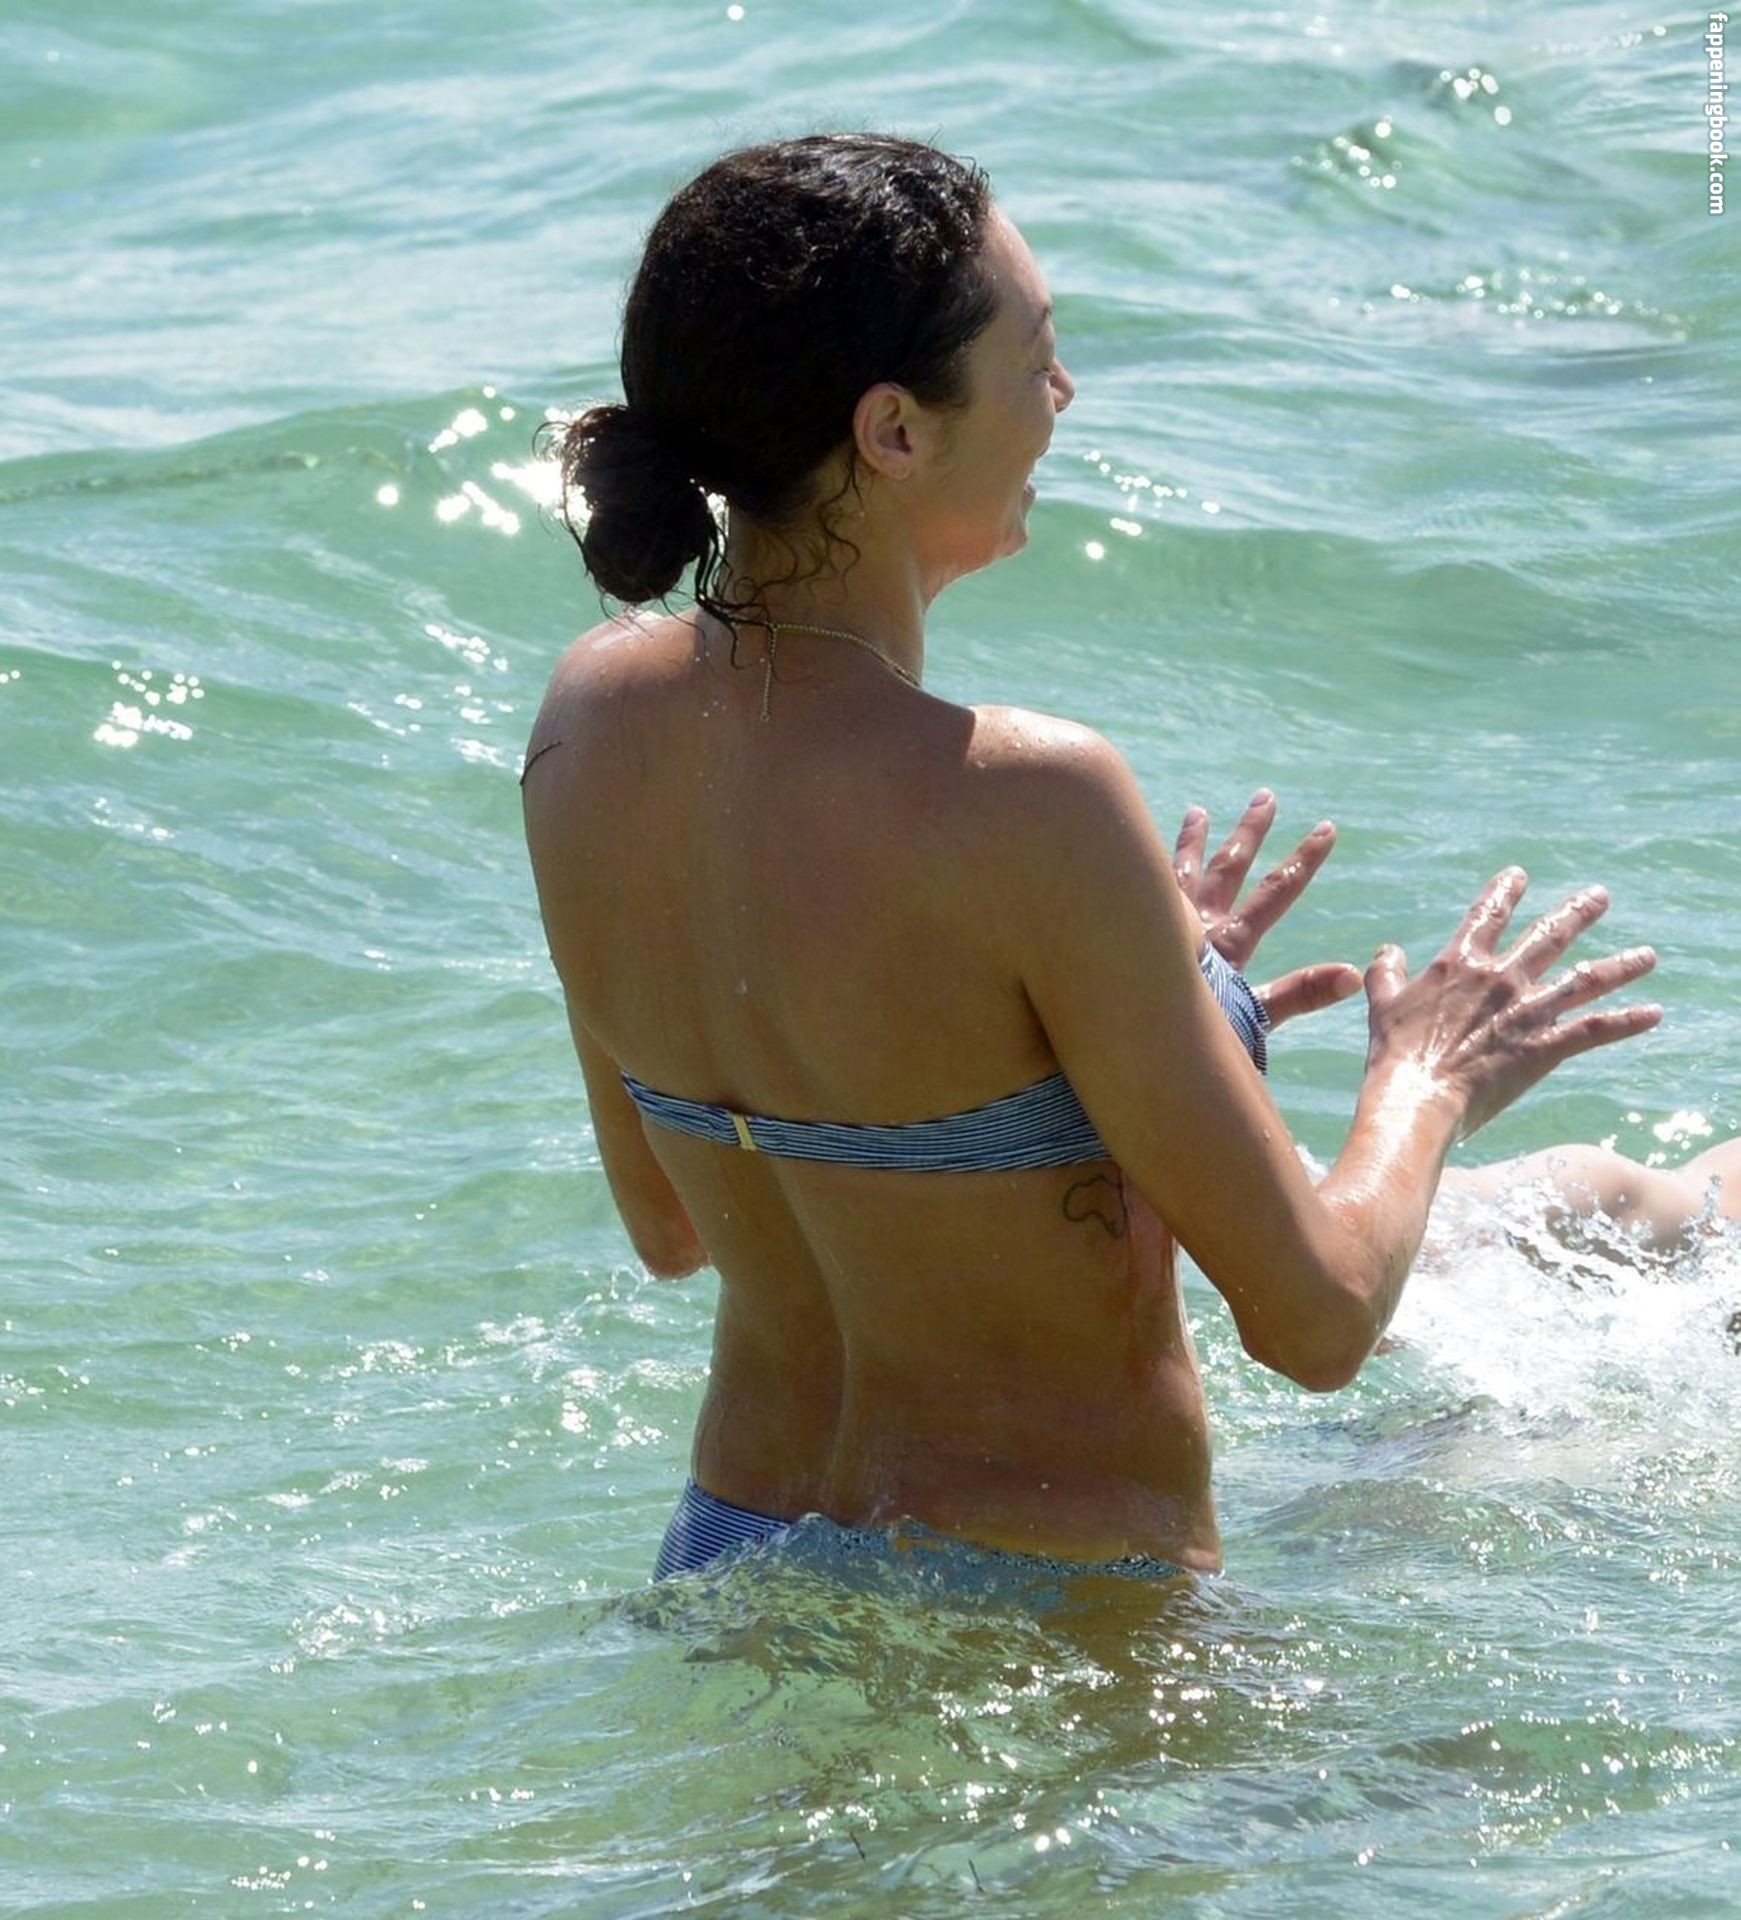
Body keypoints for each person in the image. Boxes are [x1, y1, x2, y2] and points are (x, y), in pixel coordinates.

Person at [519, 132, 1715, 1594]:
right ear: (892, 431)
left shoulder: (588, 716)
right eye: (1036, 360)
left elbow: (671, 1224)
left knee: (1600, 1214)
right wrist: (1429, 1075)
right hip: (1048, 1614)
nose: (1064, 396)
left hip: (730, 1555)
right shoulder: (1030, 800)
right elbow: (1319, 1321)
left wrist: (1114, 978)